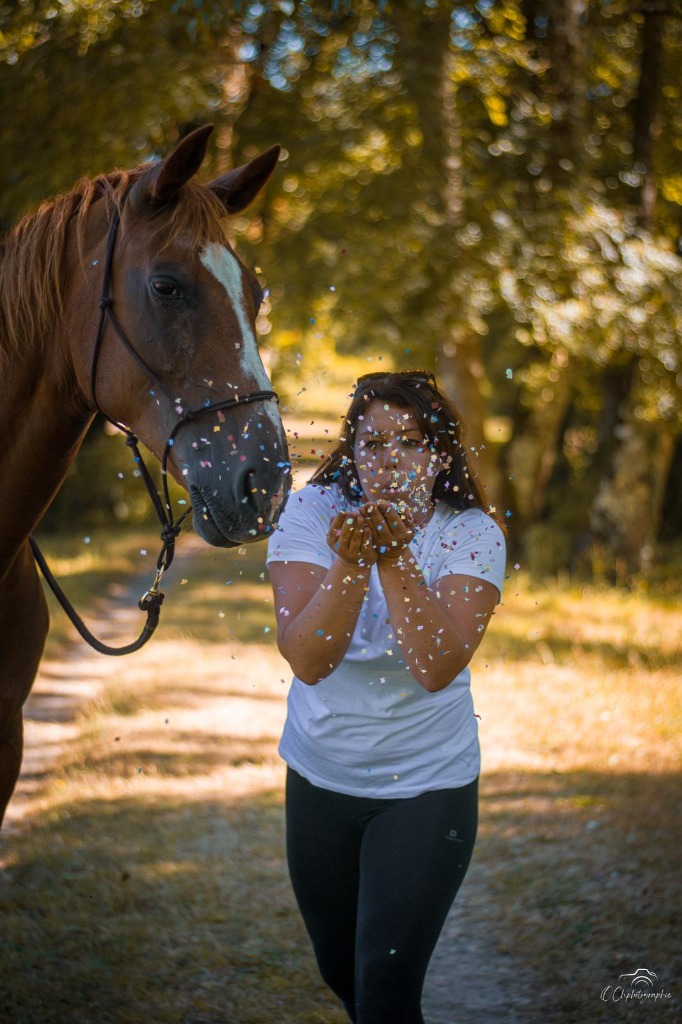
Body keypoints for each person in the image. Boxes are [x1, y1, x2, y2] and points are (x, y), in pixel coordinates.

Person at [266, 370, 506, 1024]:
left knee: (387, 987)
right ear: (352, 451)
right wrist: (350, 562)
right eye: (372, 443)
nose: (390, 457)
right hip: (320, 776)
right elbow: (309, 659)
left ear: (441, 454)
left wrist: (394, 555)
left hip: (426, 788)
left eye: (411, 441)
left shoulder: (472, 533)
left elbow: (434, 666)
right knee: (341, 972)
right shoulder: (310, 513)